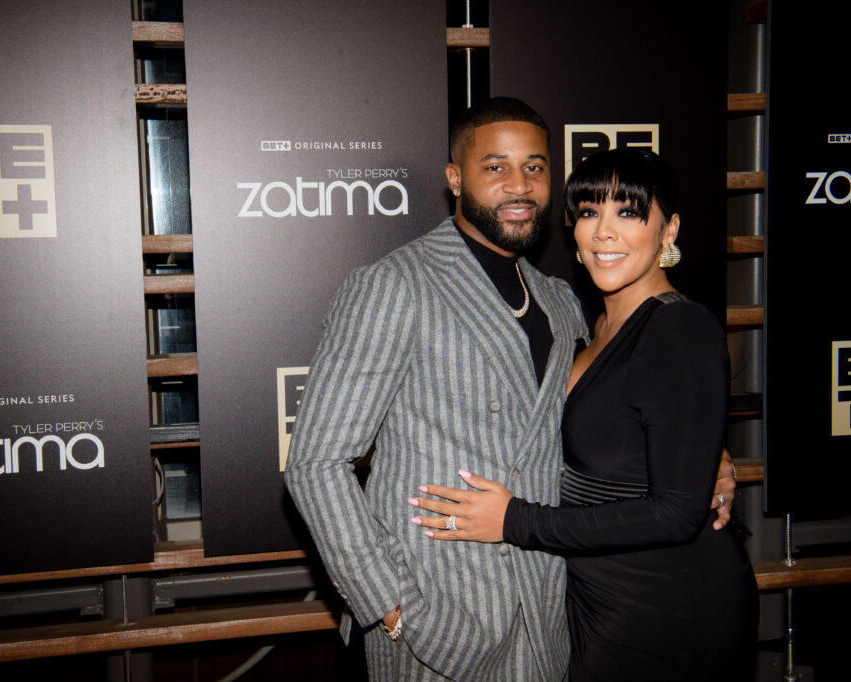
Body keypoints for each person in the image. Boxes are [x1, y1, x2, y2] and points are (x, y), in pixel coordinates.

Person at [285, 99, 736, 681]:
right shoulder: (394, 284)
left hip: (550, 619)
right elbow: (316, 463)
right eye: (495, 167)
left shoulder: (561, 300)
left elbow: (611, 417)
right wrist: (391, 607)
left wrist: (702, 461)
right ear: (455, 179)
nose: (519, 185)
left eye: (534, 167)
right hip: (437, 617)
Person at [410, 148, 758, 682]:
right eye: (591, 212)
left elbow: (675, 513)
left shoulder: (679, 329)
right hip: (596, 600)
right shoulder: (586, 327)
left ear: (669, 230)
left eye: (629, 212)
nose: (604, 232)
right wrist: (707, 451)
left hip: (668, 608)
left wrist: (513, 520)